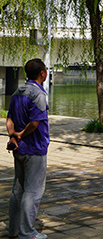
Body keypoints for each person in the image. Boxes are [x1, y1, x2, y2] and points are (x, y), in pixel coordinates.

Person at [7, 58, 50, 239]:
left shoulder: (18, 91)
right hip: (34, 148)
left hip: (19, 149)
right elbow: (34, 123)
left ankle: (14, 230)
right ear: (42, 73)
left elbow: (9, 120)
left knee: (18, 189)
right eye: (46, 69)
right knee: (32, 191)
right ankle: (27, 232)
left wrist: (13, 136)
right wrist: (21, 135)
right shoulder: (38, 94)